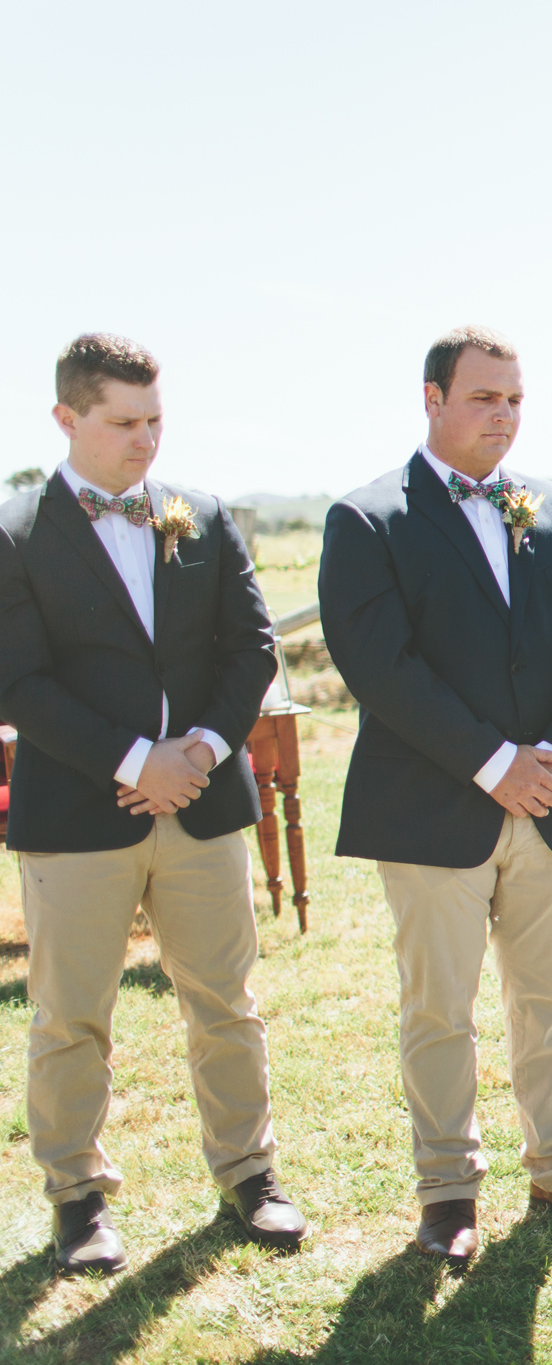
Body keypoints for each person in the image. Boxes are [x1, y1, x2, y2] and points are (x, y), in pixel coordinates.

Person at [319, 326, 552, 1265]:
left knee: (551, 997)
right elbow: (382, 667)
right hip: (430, 808)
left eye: (515, 399)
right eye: (485, 397)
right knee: (438, 1007)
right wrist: (493, 761)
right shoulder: (367, 517)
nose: (503, 414)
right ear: (432, 398)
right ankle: (449, 1189)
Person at [0, 334, 303, 1274]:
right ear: (66, 418)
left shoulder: (201, 516)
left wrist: (202, 752)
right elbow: (19, 680)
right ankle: (78, 1198)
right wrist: (136, 759)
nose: (145, 441)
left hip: (205, 807)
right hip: (78, 813)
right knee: (70, 1014)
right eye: (123, 423)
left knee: (227, 1000)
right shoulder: (14, 533)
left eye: (155, 420)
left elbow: (250, 651)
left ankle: (250, 1174)